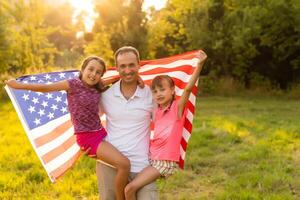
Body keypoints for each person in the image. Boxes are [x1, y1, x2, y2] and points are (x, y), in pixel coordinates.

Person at [6, 56, 130, 200]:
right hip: (88, 138)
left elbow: (112, 80)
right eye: (90, 69)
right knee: (124, 165)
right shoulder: (73, 84)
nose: (93, 74)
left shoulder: (98, 86)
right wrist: (18, 85)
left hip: (101, 132)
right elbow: (45, 88)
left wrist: (131, 74)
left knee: (121, 163)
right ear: (82, 69)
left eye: (98, 72)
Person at [124, 50, 207, 200]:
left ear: (172, 90)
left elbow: (188, 89)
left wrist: (199, 65)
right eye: (155, 91)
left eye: (162, 89)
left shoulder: (177, 108)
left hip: (164, 162)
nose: (159, 94)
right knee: (127, 180)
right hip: (152, 158)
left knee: (129, 189)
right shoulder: (157, 110)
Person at [96, 46, 158, 200]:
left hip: (142, 167)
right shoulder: (106, 95)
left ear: (139, 65)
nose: (127, 70)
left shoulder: (151, 95)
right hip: (110, 166)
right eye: (122, 66)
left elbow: (164, 124)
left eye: (131, 65)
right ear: (116, 68)